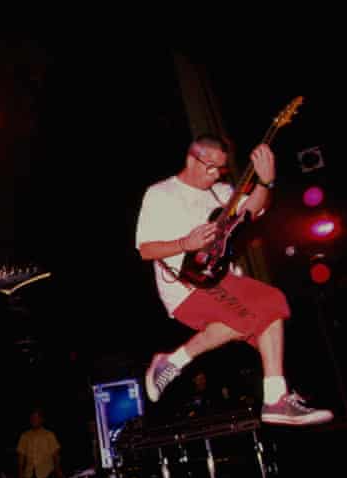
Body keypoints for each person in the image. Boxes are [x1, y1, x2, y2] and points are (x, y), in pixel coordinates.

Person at [135, 133, 333, 427]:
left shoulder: (221, 192)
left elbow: (253, 209)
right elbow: (146, 249)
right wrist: (184, 243)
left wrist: (265, 182)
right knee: (269, 303)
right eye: (210, 166)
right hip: (186, 285)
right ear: (193, 158)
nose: (215, 174)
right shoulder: (161, 193)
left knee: (263, 316)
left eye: (221, 168)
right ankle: (275, 400)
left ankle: (174, 362)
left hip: (222, 279)